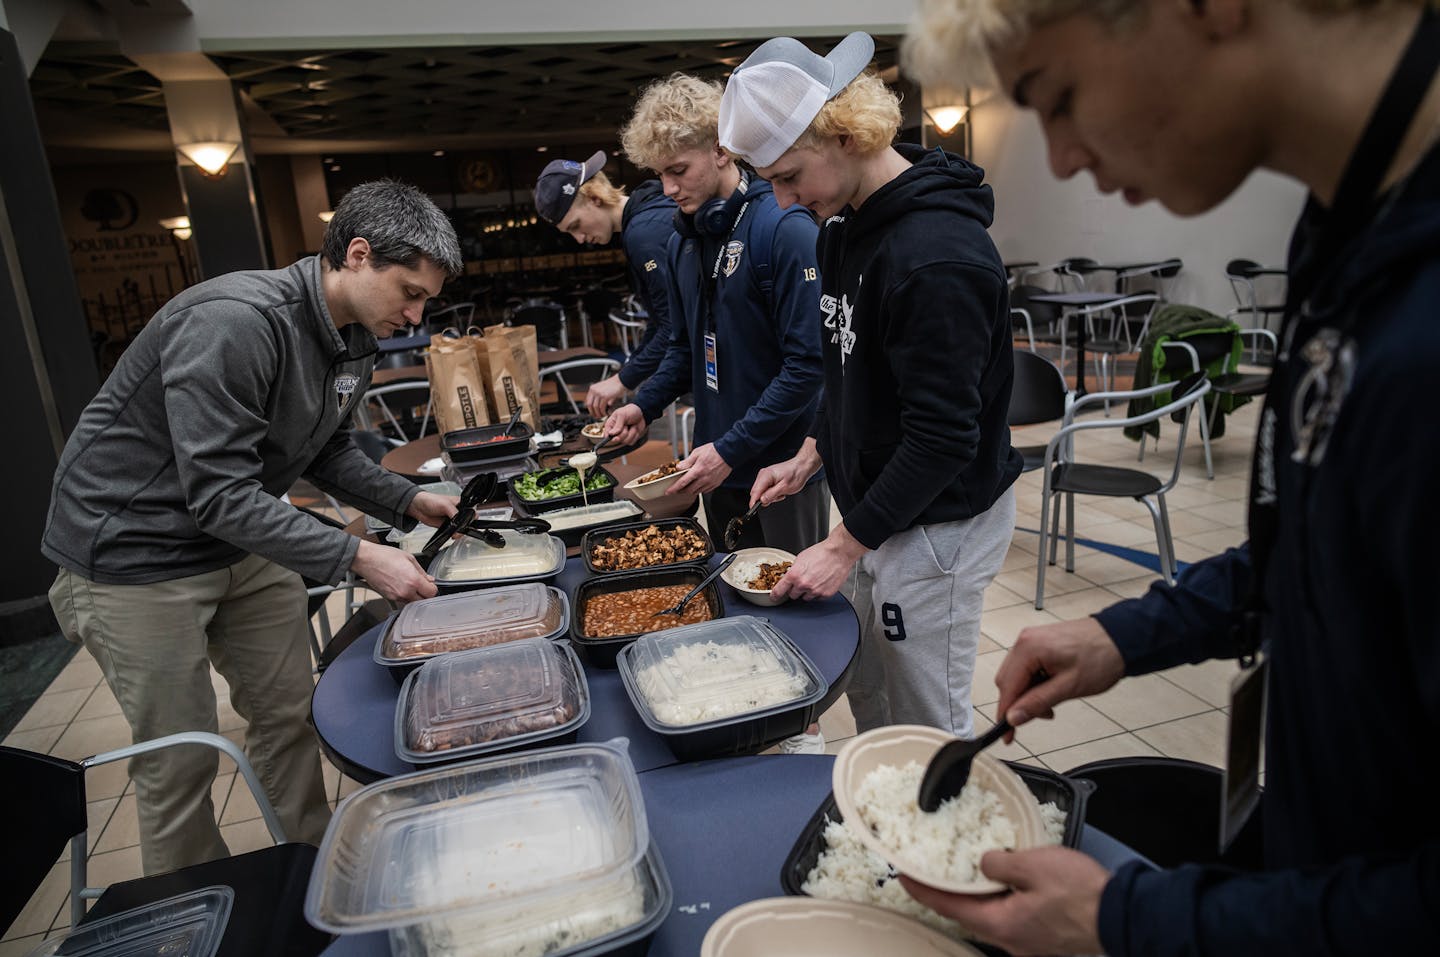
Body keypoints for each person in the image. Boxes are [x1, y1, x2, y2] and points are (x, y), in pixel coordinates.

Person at [896, 0, 1440, 953]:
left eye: (1056, 97)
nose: (1060, 159)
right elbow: (1320, 545)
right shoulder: (1347, 224)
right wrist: (1121, 634)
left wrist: (1123, 921)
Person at [43, 179, 462, 875]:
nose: (415, 316)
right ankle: (195, 907)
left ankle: (318, 869)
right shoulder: (235, 320)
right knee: (180, 757)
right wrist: (359, 555)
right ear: (356, 255)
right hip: (130, 553)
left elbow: (320, 448)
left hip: (239, 533)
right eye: (409, 292)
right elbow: (217, 493)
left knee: (289, 716)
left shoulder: (355, 337)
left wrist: (407, 501)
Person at [720, 33, 1021, 739]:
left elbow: (946, 437)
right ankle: (884, 823)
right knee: (867, 686)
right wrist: (811, 452)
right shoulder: (841, 232)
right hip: (878, 512)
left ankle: (937, 840)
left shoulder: (937, 258)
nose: (785, 201)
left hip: (939, 520)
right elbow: (849, 370)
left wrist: (843, 543)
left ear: (847, 135)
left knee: (925, 717)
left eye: (790, 176)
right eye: (770, 182)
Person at [606, 73, 829, 557]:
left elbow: (808, 367)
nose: (666, 189)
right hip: (715, 463)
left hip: (780, 469)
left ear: (723, 151)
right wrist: (643, 406)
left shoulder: (784, 229)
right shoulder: (681, 242)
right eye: (658, 174)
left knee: (797, 611)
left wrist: (732, 448)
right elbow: (684, 347)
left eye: (679, 170)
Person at [533, 150, 678, 416]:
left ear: (595, 197)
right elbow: (662, 321)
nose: (579, 239)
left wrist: (623, 380)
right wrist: (626, 376)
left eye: (576, 225)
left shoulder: (643, 234)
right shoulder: (647, 207)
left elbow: (675, 328)